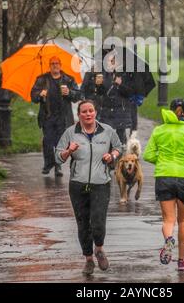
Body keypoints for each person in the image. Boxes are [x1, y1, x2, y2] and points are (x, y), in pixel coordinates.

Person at [55, 100, 122, 275]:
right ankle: (88, 259)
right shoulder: (71, 132)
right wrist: (68, 151)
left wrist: (112, 155)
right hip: (78, 185)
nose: (88, 114)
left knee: (98, 221)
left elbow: (118, 147)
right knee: (83, 223)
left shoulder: (107, 131)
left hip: (101, 184)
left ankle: (99, 249)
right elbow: (58, 158)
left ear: (95, 113)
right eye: (84, 111)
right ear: (79, 115)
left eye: (91, 111)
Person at [143, 98, 184, 272]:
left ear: (170, 111)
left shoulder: (159, 130)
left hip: (164, 177)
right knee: (183, 220)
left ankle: (168, 239)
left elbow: (148, 155)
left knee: (168, 219)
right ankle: (182, 261)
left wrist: (162, 160)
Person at [31, 56, 82, 176]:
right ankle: (48, 164)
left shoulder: (68, 79)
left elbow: (78, 95)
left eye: (57, 63)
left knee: (60, 142)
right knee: (47, 141)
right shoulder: (42, 79)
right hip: (47, 116)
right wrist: (40, 94)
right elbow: (33, 96)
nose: (55, 65)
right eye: (52, 63)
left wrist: (69, 92)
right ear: (49, 65)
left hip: (63, 117)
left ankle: (58, 165)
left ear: (60, 65)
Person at [81, 52, 135, 146]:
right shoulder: (104, 75)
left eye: (112, 61)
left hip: (120, 111)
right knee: (106, 136)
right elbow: (102, 93)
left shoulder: (124, 75)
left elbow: (130, 93)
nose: (110, 63)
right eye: (108, 61)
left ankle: (119, 157)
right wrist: (99, 86)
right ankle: (108, 157)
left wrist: (120, 84)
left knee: (120, 138)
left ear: (117, 62)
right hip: (107, 110)